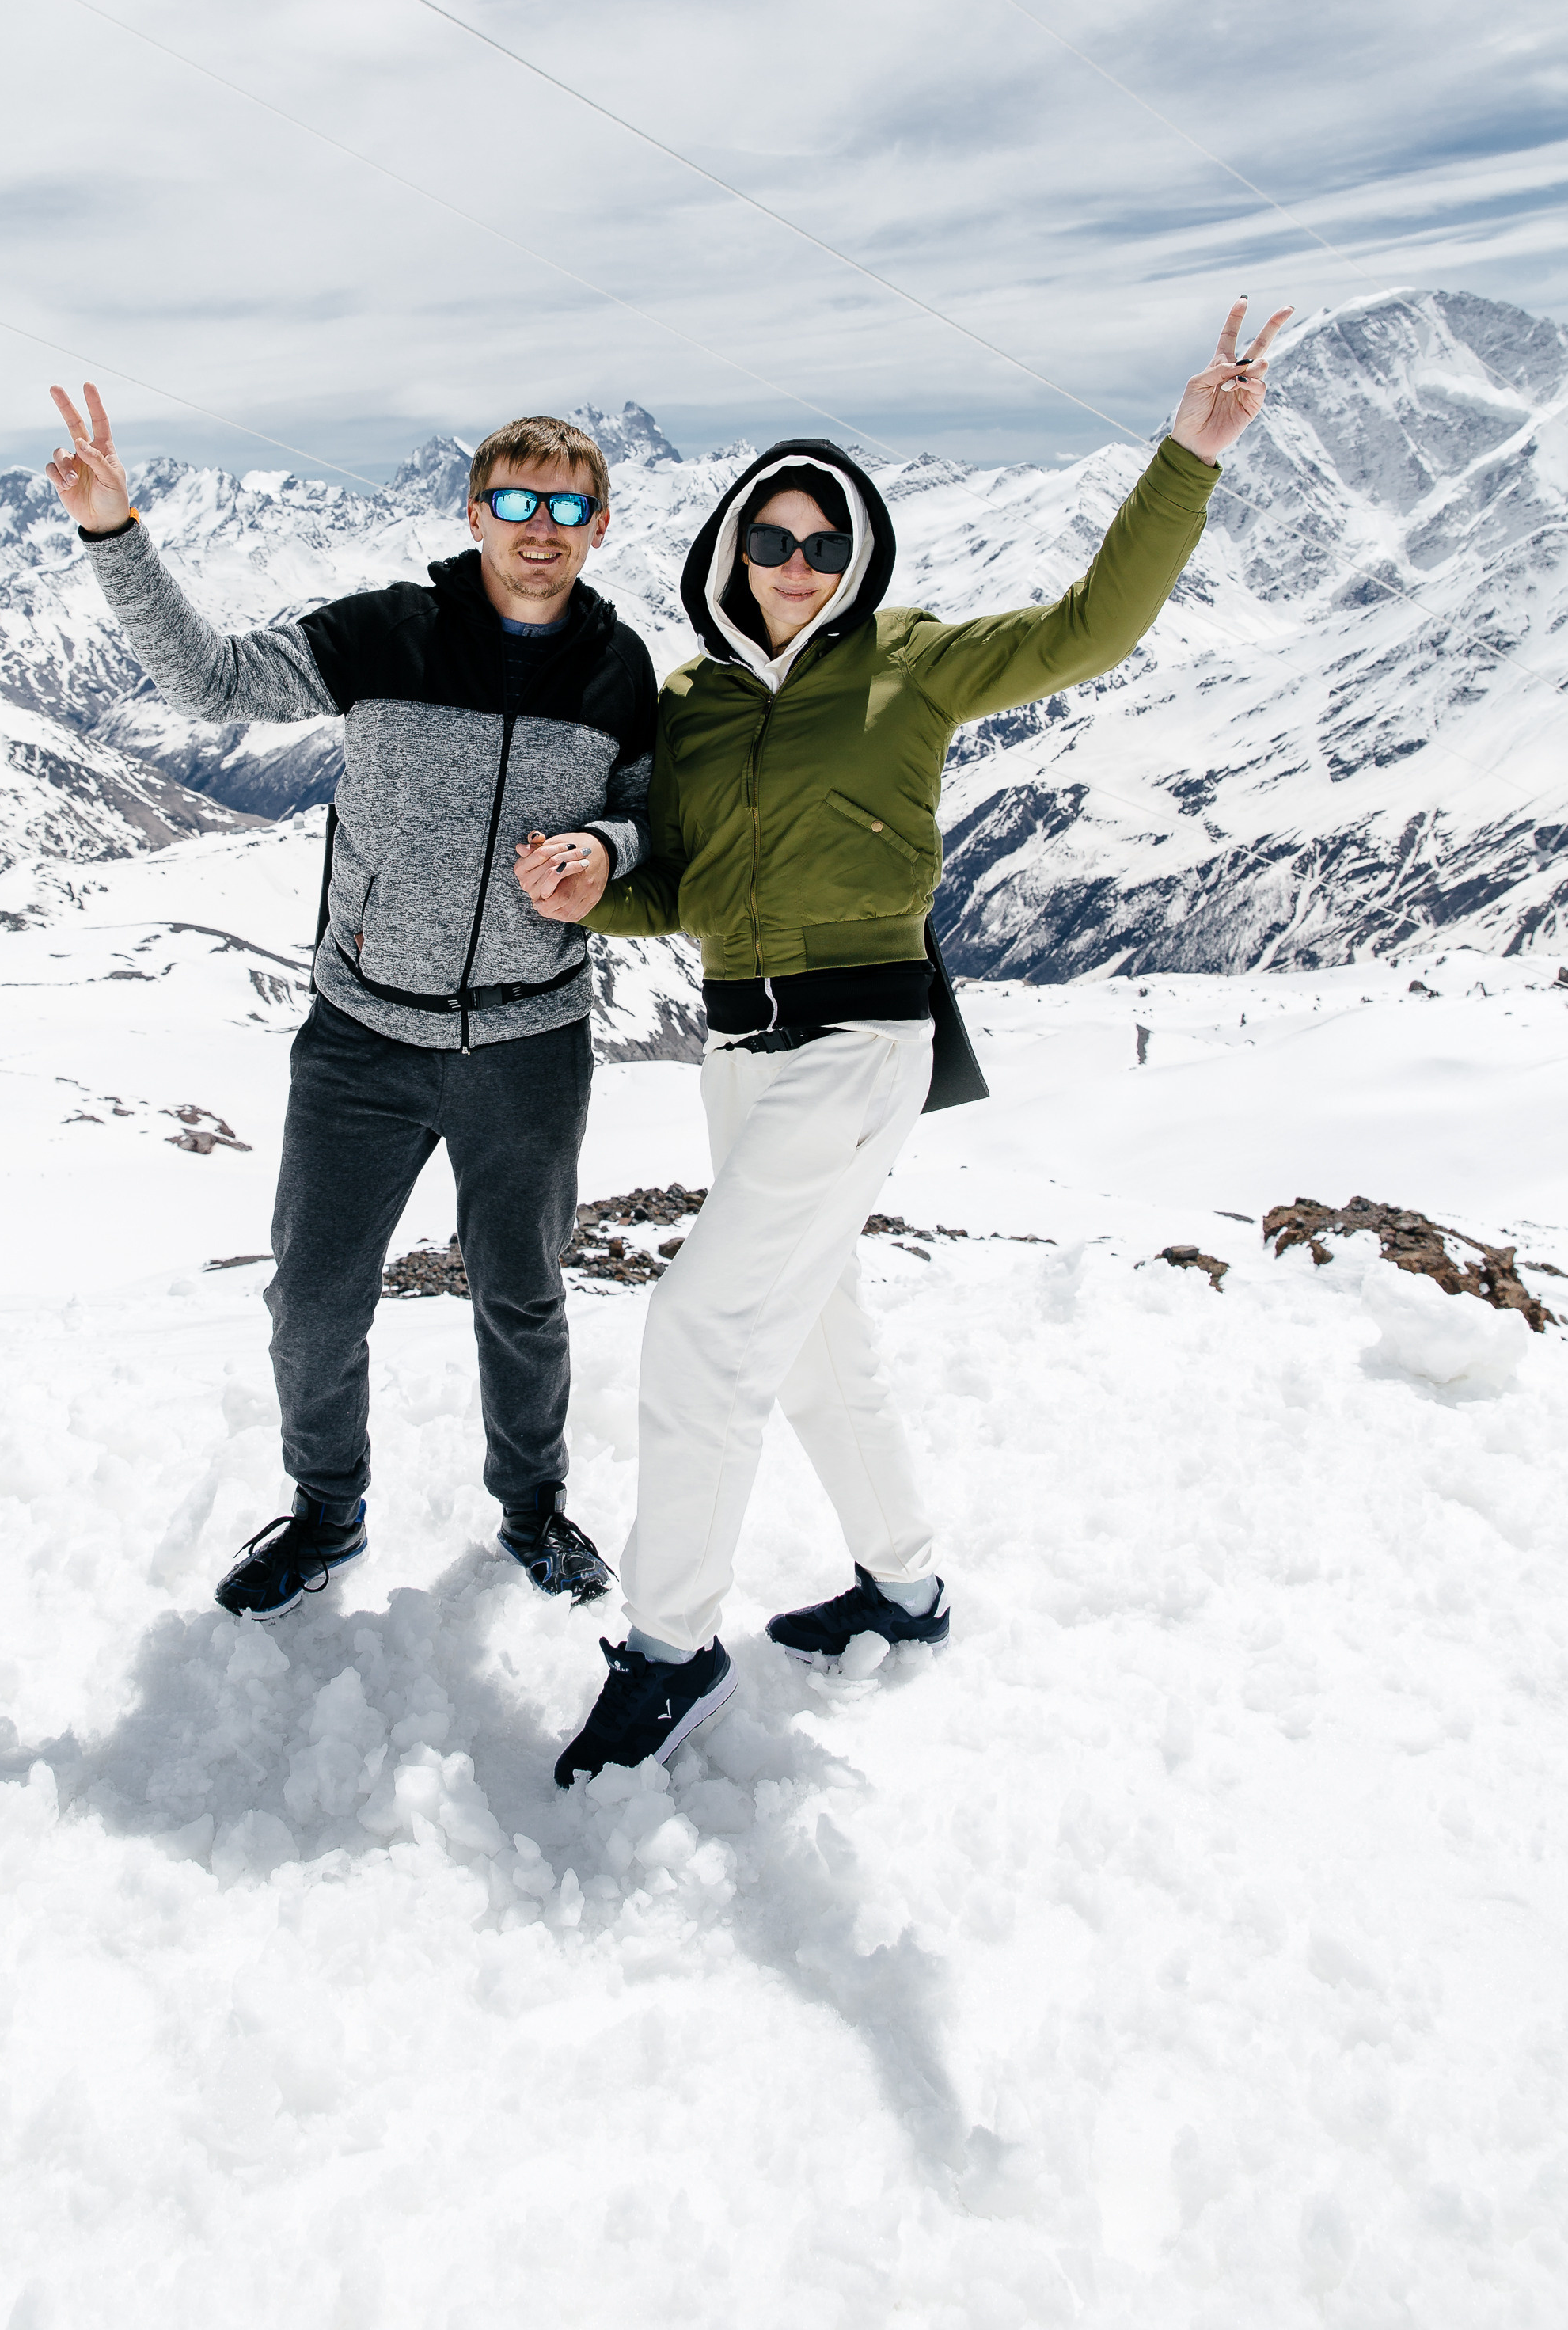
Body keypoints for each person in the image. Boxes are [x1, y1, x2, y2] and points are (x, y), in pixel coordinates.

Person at [519, 302, 1290, 1783]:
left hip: (861, 1041)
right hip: (738, 1053)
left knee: (703, 1332)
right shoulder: (693, 703)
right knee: (816, 1337)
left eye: (825, 543)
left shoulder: (914, 665)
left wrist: (1189, 456)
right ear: (731, 552)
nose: (797, 563)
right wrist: (594, 889)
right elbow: (683, 891)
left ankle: (670, 1650)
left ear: (858, 557)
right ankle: (905, 1585)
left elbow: (1093, 627)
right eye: (772, 539)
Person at [45, 387, 658, 1617]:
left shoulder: (618, 667)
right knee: (314, 1302)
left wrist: (609, 849)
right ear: (474, 513)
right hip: (363, 1036)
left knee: (523, 1297)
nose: (540, 528)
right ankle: (327, 1513)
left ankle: (533, 1510)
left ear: (599, 525)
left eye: (567, 508)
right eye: (517, 502)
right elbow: (213, 681)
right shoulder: (390, 631)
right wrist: (114, 532)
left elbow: (651, 814)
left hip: (529, 1042)